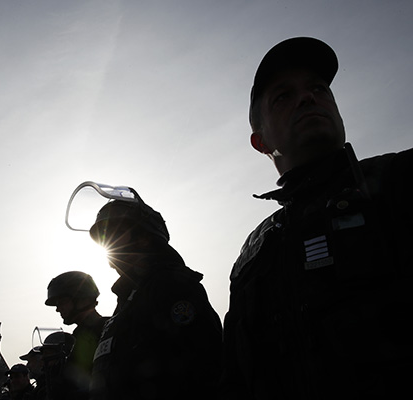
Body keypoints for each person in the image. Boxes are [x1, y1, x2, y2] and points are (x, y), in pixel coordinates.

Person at [221, 37, 413, 399]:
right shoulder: (252, 253)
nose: (308, 97)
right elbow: (235, 376)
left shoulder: (399, 179)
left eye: (318, 88)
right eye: (283, 96)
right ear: (260, 142)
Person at [85, 188, 223, 399]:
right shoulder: (127, 299)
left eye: (116, 233)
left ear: (144, 239)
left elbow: (203, 368)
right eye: (105, 237)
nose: (108, 243)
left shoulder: (172, 287)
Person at [45, 271, 108, 390]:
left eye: (62, 302)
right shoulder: (81, 337)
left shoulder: (103, 332)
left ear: (82, 299)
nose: (58, 309)